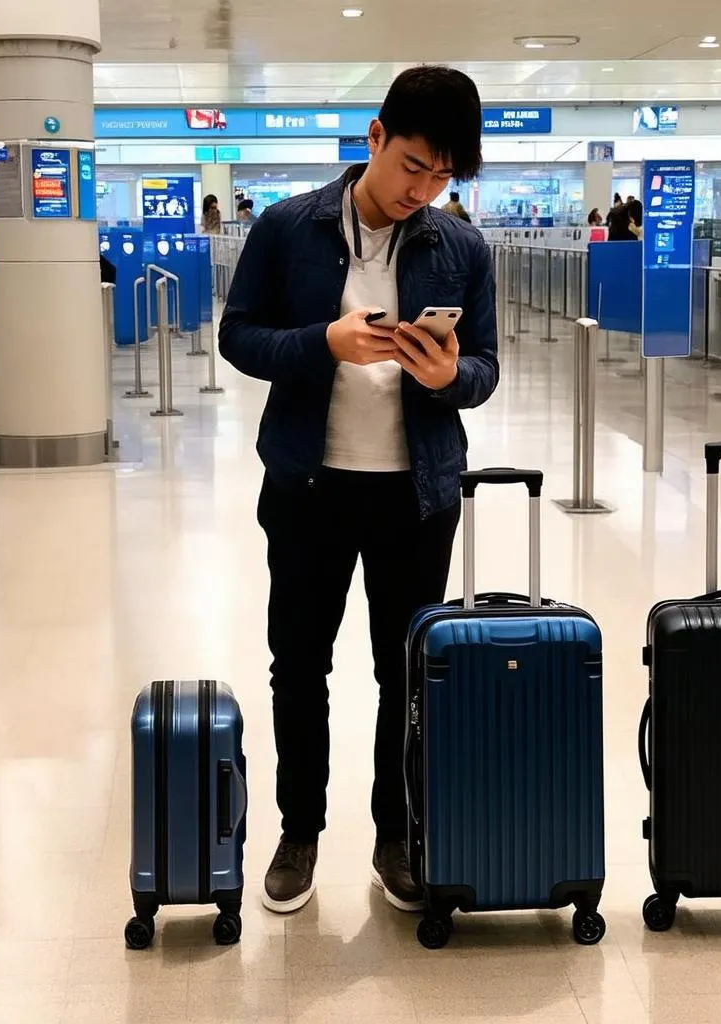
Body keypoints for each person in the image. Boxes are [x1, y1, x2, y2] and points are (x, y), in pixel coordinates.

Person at [219, 65, 498, 916]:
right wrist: (323, 343)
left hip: (416, 494)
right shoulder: (287, 228)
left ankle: (398, 833)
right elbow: (238, 336)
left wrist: (453, 375)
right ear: (374, 139)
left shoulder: (462, 248)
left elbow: (484, 368)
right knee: (299, 665)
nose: (424, 189)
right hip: (309, 484)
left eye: (443, 176)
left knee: (406, 672)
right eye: (413, 165)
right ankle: (299, 829)